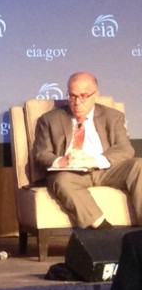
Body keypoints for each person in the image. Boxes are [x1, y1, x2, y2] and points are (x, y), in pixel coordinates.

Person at [33, 72, 142, 230]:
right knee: (60, 180)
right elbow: (41, 153)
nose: (77, 102)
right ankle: (101, 226)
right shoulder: (50, 119)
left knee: (139, 165)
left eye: (83, 96)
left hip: (106, 169)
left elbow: (125, 149)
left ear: (95, 94)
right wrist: (60, 161)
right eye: (72, 96)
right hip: (72, 173)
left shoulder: (113, 116)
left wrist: (94, 160)